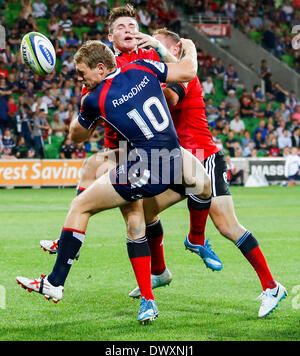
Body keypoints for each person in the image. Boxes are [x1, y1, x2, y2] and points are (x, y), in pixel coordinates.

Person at [16, 38, 211, 325]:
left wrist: (83, 107)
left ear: (99, 68)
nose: (80, 79)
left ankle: (56, 281)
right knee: (148, 213)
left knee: (81, 206)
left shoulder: (94, 98)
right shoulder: (142, 67)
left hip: (146, 168)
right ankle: (184, 253)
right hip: (174, 158)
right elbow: (188, 71)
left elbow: (76, 136)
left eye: (82, 73)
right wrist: (191, 46)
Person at [128, 29, 287, 319]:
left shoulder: (184, 74)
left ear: (175, 48)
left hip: (204, 159)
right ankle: (160, 272)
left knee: (227, 226)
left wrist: (144, 76)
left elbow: (171, 99)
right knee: (144, 210)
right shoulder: (161, 73)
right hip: (179, 161)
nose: (150, 49)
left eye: (157, 45)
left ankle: (271, 285)